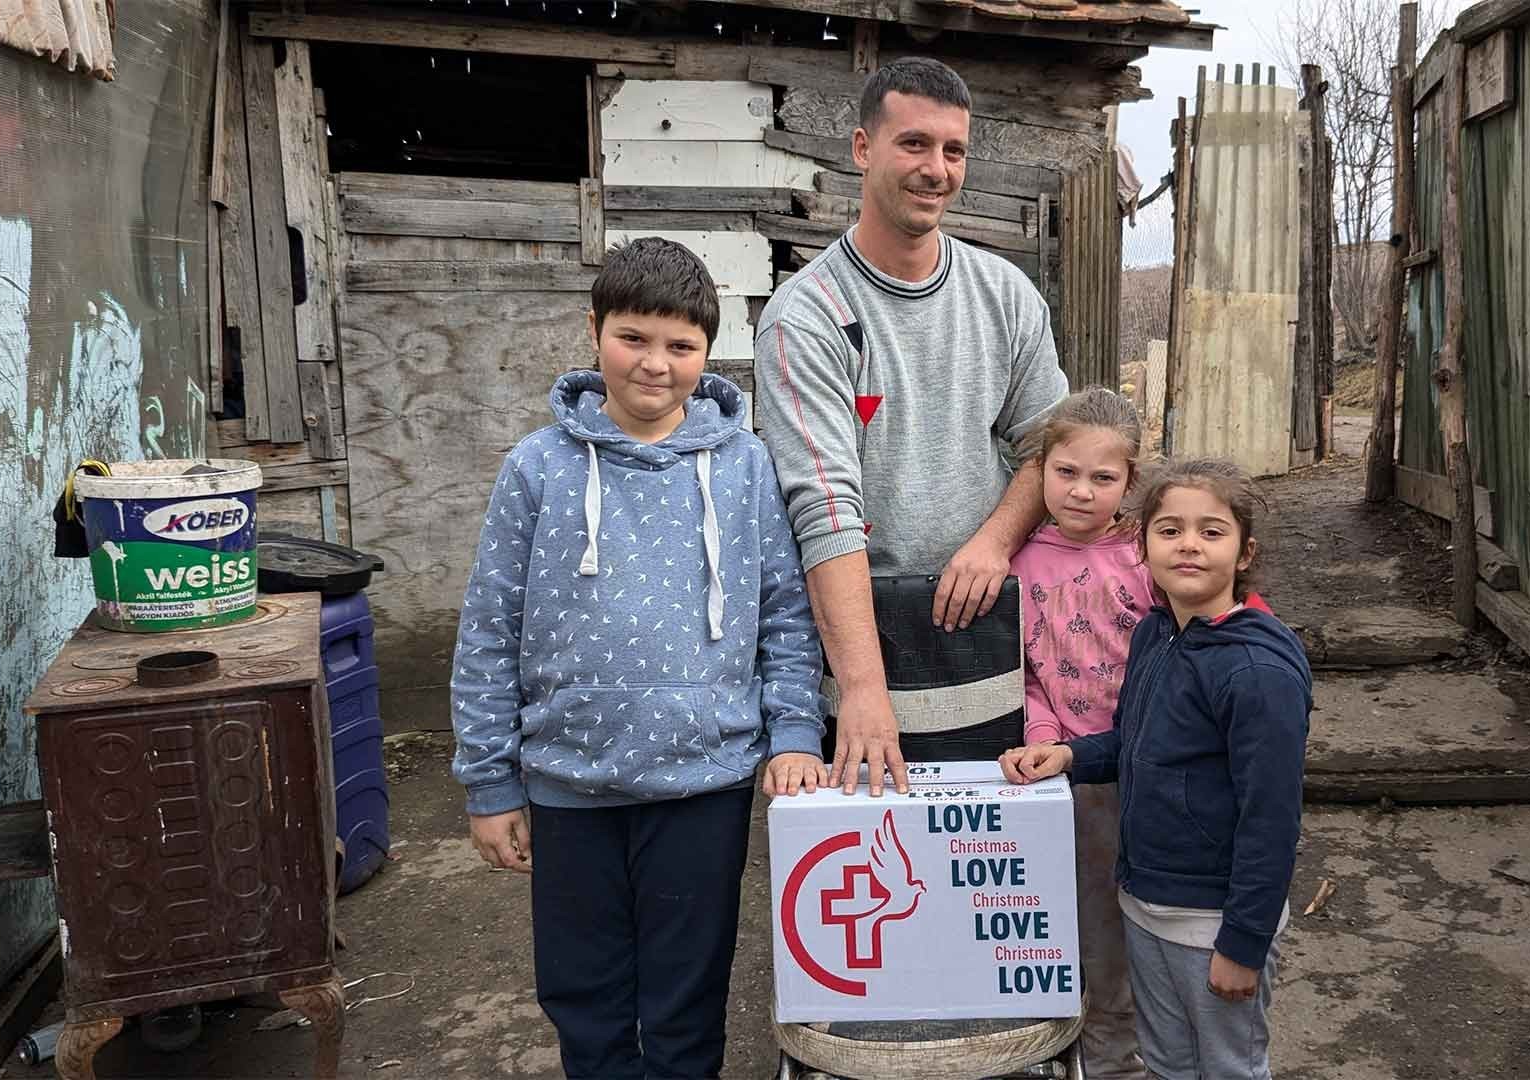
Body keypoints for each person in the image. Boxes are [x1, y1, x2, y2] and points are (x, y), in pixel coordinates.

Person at [449, 237, 828, 1079]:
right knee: (585, 998)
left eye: (681, 345)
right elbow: (487, 629)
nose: (655, 364)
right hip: (568, 782)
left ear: (707, 351)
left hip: (704, 781)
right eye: (634, 337)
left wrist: (796, 732)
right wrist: (489, 779)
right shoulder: (536, 468)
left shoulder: (744, 466)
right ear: (594, 332)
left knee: (687, 1000)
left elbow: (785, 615)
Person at [755, 56, 1069, 796]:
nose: (937, 169)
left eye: (953, 150)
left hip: (993, 627)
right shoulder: (807, 317)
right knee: (881, 865)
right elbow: (823, 505)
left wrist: (994, 540)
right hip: (863, 628)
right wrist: (864, 689)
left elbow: (1053, 444)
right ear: (863, 149)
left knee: (990, 863)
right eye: (914, 144)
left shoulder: (1006, 296)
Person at [999, 458, 1311, 1080]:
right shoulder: (1156, 635)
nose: (1189, 544)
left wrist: (1243, 944)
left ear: (1245, 552)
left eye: (1211, 531)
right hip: (1146, 903)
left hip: (1212, 921)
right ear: (1142, 548)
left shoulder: (1258, 673)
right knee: (1168, 1063)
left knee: (1227, 1066)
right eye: (1169, 530)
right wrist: (1068, 755)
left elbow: (1271, 821)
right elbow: (1137, 740)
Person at [1009, 387, 1155, 1078]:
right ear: (1039, 469)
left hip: (1153, 771)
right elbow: (1026, 675)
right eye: (1067, 472)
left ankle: (1147, 1057)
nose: (1082, 491)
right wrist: (1043, 736)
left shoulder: (1147, 556)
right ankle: (1096, 1061)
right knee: (1088, 929)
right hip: (1072, 779)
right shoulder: (1018, 564)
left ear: (1130, 482)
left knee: (1149, 925)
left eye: (1104, 477)